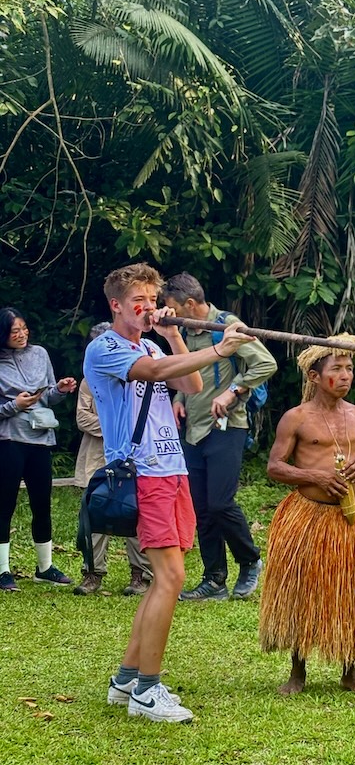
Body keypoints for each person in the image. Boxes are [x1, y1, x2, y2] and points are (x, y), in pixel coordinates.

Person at [84, 263, 253, 723]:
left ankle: (126, 681)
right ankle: (147, 691)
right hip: (143, 472)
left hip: (171, 467)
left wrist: (178, 336)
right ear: (116, 305)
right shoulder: (106, 348)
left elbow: (190, 385)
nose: (147, 307)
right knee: (172, 579)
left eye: (152, 300)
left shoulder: (155, 341)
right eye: (138, 300)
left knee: (165, 579)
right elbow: (154, 371)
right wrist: (220, 348)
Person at [258, 334, 355, 695]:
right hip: (308, 516)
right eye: (337, 369)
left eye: (349, 368)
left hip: (351, 517)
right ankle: (297, 673)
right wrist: (312, 475)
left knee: (352, 590)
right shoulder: (296, 418)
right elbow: (274, 467)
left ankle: (351, 672)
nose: (345, 376)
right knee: (304, 590)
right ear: (315, 377)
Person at [162, 272, 277, 601]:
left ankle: (250, 559)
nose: (168, 314)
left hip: (226, 427)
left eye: (172, 308)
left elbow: (265, 364)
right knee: (201, 507)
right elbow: (187, 369)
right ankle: (214, 579)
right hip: (193, 429)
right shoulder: (182, 331)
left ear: (190, 304)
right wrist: (178, 400)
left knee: (220, 502)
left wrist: (233, 391)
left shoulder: (227, 325)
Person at [0, 307, 77, 591]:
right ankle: (3, 570)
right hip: (8, 440)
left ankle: (44, 567)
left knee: (42, 503)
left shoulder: (40, 354)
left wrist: (60, 388)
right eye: (13, 331)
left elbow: (48, 397)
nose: (21, 335)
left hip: (40, 439)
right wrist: (14, 406)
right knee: (4, 506)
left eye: (23, 328)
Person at [73, 322, 153, 597]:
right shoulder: (89, 380)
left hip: (136, 458)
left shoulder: (143, 378)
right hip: (99, 457)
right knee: (95, 514)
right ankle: (92, 573)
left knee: (134, 512)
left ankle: (140, 574)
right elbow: (83, 418)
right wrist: (116, 428)